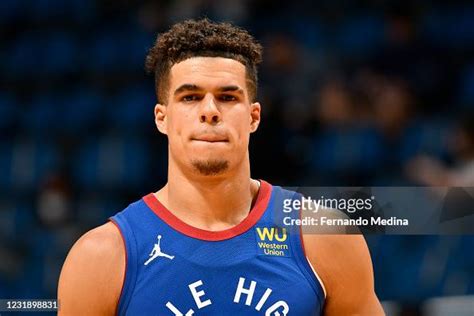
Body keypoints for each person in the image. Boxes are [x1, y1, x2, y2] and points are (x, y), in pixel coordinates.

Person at [58, 19, 383, 315]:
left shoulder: (324, 237)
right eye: (190, 97)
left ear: (254, 116)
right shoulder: (103, 258)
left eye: (227, 97)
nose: (210, 111)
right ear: (162, 117)